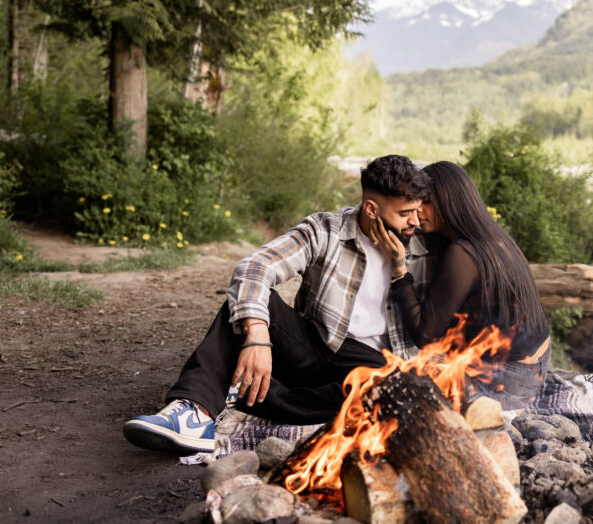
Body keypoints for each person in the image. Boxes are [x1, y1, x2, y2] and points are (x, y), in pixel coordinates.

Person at [123, 155, 435, 453]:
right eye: (405, 213)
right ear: (371, 209)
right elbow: (256, 267)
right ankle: (191, 411)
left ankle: (240, 392)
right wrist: (257, 335)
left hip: (373, 366)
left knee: (383, 391)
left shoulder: (422, 249)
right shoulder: (326, 229)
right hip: (317, 344)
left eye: (416, 210)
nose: (415, 221)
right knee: (250, 306)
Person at [368, 160, 551, 410]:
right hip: (536, 365)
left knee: (393, 386)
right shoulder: (495, 238)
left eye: (428, 202)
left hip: (510, 380)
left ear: (450, 201)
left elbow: (425, 336)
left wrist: (399, 272)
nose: (418, 212)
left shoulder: (463, 254)